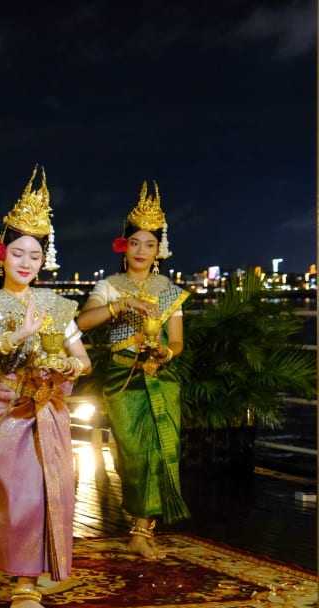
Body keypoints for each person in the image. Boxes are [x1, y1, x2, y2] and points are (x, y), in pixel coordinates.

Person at [0, 166, 91, 608]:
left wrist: (66, 364)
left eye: (34, 256)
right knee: (17, 500)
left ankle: (26, 589)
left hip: (48, 407)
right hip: (6, 410)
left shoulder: (58, 305)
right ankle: (20, 580)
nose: (25, 263)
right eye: (17, 253)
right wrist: (14, 339)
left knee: (47, 493)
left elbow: (84, 360)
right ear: (1, 255)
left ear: (43, 261)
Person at [75, 181, 189, 560]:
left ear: (159, 250)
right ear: (123, 245)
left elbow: (177, 342)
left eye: (150, 244)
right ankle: (137, 525)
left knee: (160, 454)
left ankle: (143, 531)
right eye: (135, 243)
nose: (142, 251)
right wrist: (119, 306)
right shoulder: (110, 287)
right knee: (133, 453)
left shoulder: (169, 290)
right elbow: (83, 321)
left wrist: (165, 354)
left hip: (160, 376)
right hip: (124, 377)